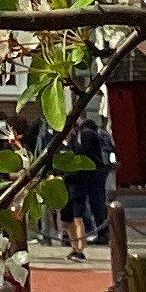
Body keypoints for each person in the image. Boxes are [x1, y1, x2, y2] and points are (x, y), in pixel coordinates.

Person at [58, 108, 109, 259]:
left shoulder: (79, 142)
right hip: (64, 184)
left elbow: (85, 161)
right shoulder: (61, 144)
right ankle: (75, 246)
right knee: (66, 221)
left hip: (77, 183)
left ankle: (79, 249)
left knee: (78, 217)